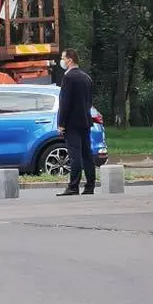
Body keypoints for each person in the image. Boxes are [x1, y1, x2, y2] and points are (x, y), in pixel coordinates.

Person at [56, 48, 96, 196]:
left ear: (70, 60)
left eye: (63, 58)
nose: (62, 61)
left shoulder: (68, 78)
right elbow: (89, 101)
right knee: (87, 155)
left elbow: (65, 102)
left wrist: (61, 124)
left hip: (71, 123)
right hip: (85, 121)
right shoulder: (86, 78)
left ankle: (73, 186)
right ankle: (90, 186)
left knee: (75, 156)